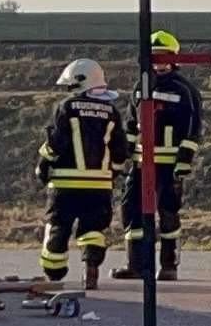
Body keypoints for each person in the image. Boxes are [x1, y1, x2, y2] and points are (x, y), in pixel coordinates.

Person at [31, 57, 134, 292]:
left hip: (65, 185)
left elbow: (55, 142)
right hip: (99, 186)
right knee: (93, 229)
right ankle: (91, 267)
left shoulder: (67, 107)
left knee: (58, 225)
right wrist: (113, 173)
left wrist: (43, 165)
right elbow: (120, 150)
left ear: (78, 82)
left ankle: (54, 273)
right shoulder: (111, 111)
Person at [115, 29, 208, 283]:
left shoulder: (184, 90)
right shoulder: (140, 87)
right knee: (131, 212)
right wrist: (125, 158)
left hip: (169, 165)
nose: (158, 62)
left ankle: (169, 266)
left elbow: (192, 128)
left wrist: (184, 161)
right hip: (141, 163)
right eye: (154, 56)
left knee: (168, 213)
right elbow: (132, 126)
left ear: (174, 59)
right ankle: (137, 265)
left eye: (163, 56)